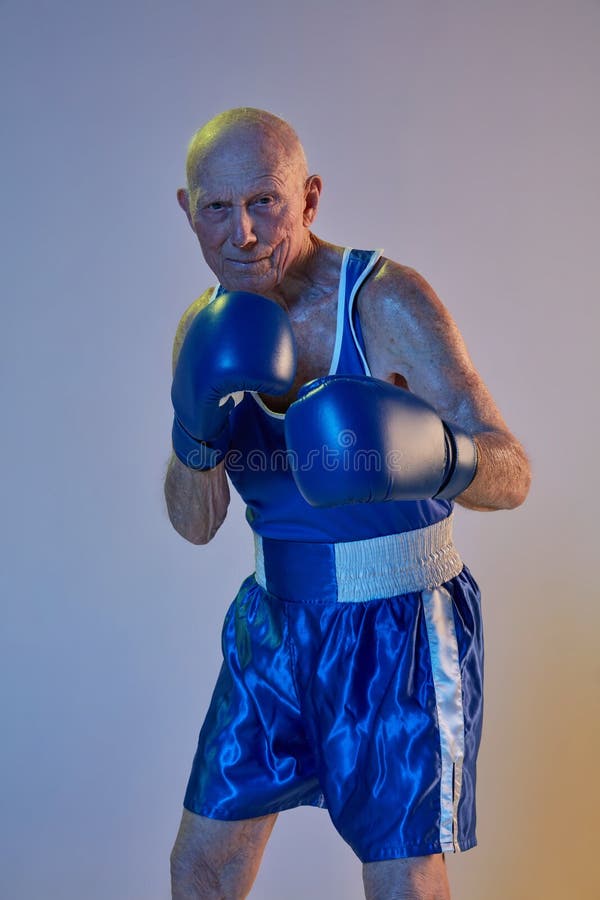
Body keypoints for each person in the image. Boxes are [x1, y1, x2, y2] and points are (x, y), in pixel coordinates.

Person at [164, 107, 531, 900]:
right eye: (218, 209)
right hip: (274, 625)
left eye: (265, 201)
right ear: (189, 210)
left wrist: (430, 456)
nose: (245, 234)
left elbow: (513, 473)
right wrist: (194, 427)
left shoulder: (387, 302)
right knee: (201, 867)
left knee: (399, 878)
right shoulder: (204, 327)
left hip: (396, 631)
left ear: (310, 198)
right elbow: (196, 524)